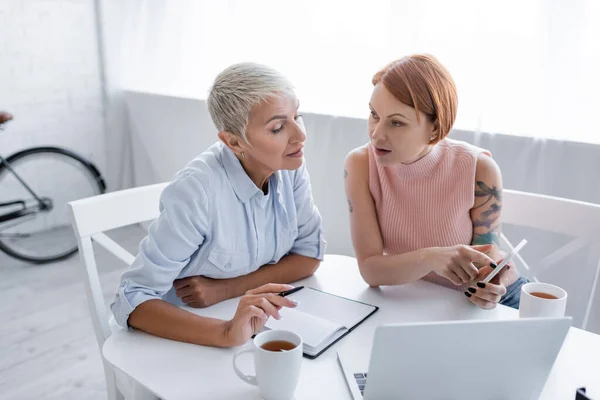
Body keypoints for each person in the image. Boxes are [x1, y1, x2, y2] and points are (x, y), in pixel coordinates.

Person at [111, 63, 325, 346]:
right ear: (234, 142)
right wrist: (224, 333)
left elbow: (309, 256)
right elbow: (132, 298)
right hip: (182, 336)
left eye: (298, 115)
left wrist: (226, 289)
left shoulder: (291, 166)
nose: (300, 135)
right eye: (278, 127)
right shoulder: (196, 191)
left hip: (249, 320)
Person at [344, 54, 527, 309]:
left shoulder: (480, 169)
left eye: (396, 123)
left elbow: (486, 267)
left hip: (494, 302)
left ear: (435, 127)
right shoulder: (360, 165)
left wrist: (488, 286)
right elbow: (371, 270)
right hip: (423, 302)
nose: (377, 134)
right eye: (374, 114)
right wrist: (431, 258)